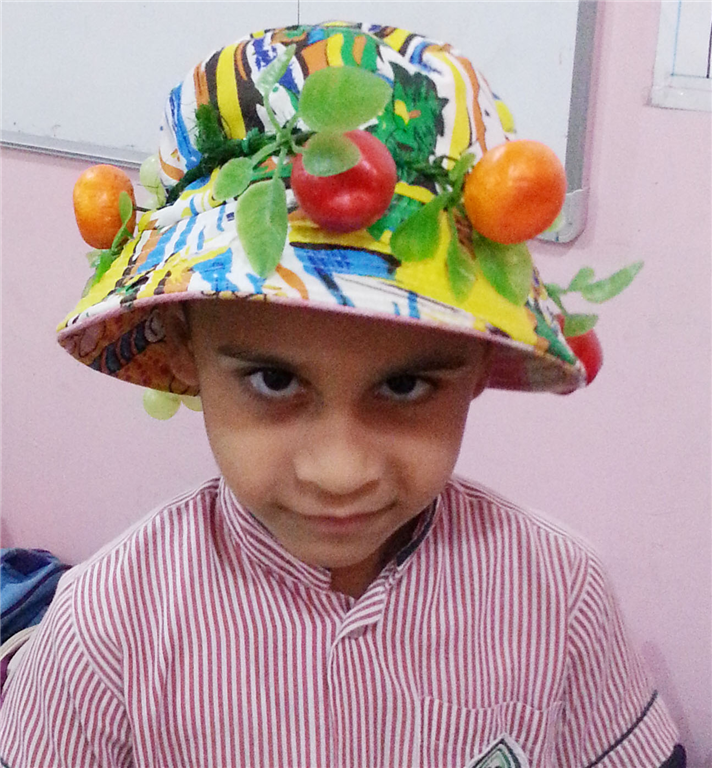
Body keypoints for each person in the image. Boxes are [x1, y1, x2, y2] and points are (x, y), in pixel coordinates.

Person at [0, 22, 686, 768]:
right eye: (274, 380)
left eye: (404, 384)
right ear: (180, 346)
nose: (339, 472)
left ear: (481, 362)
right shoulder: (103, 634)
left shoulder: (559, 596)